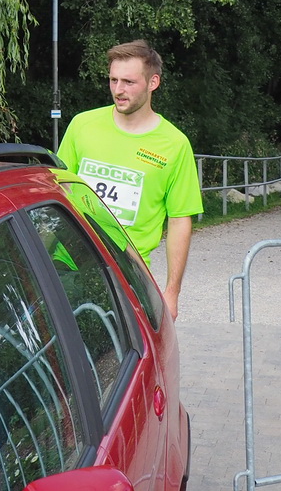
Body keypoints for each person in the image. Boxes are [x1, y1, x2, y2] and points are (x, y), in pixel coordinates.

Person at [58, 41, 202, 320]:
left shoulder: (174, 144)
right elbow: (58, 188)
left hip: (125, 271)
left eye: (128, 82)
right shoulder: (82, 125)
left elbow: (179, 220)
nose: (118, 90)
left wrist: (172, 293)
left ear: (153, 82)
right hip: (67, 262)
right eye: (113, 80)